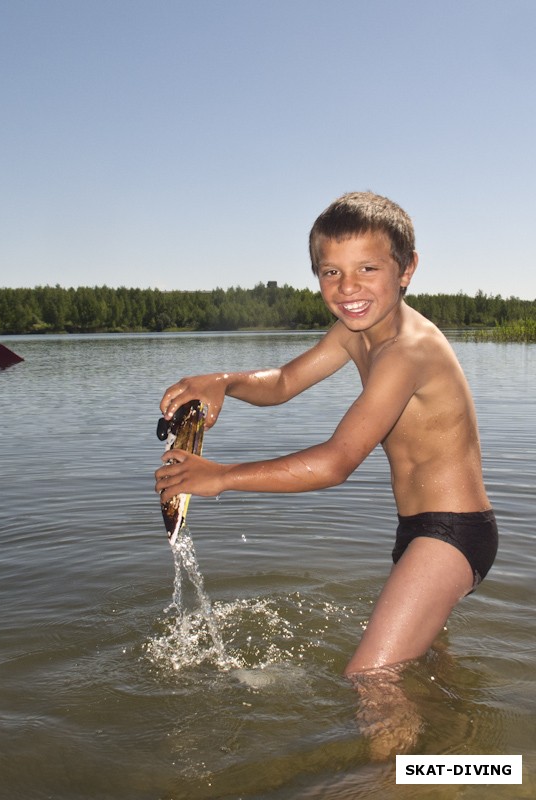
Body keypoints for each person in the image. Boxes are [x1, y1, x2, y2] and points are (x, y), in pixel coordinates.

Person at [155, 191, 498, 680]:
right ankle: (463, 753)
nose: (347, 287)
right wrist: (224, 381)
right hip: (416, 532)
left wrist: (221, 476)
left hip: (454, 535)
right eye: (330, 271)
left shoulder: (407, 351)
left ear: (406, 269)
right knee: (423, 675)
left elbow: (338, 461)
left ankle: (394, 762)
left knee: (370, 681)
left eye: (367, 269)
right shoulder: (354, 333)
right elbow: (283, 382)